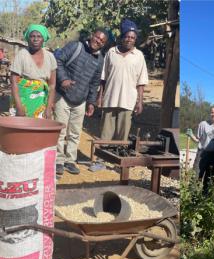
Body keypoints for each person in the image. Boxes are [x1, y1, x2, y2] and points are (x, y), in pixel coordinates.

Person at [89, 19, 148, 172]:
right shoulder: (111, 52)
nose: (130, 39)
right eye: (127, 36)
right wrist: (100, 96)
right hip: (110, 98)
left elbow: (141, 82)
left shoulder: (139, 55)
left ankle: (118, 163)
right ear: (122, 37)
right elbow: (103, 77)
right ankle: (101, 160)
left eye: (133, 37)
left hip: (128, 101)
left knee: (122, 135)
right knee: (105, 132)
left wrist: (140, 102)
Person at [54, 28, 108, 176]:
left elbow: (94, 83)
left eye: (102, 41)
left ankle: (70, 161)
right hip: (63, 96)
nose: (98, 41)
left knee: (75, 133)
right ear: (92, 36)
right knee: (60, 131)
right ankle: (58, 161)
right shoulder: (75, 46)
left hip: (81, 100)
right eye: (97, 38)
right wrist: (63, 79)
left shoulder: (100, 60)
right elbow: (58, 60)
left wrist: (91, 103)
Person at [10, 24, 56, 118]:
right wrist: (19, 106)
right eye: (32, 36)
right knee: (20, 131)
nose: (35, 39)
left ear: (43, 39)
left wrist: (48, 107)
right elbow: (14, 83)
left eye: (39, 36)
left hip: (42, 102)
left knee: (39, 131)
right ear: (28, 39)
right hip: (22, 100)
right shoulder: (22, 55)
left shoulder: (50, 57)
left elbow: (52, 85)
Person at [186, 107, 214, 175]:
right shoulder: (203, 124)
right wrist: (191, 135)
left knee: (210, 177)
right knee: (196, 175)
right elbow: (197, 140)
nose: (213, 114)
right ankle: (194, 185)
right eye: (212, 112)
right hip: (202, 153)